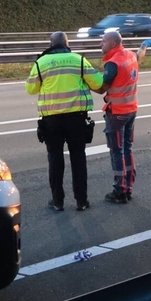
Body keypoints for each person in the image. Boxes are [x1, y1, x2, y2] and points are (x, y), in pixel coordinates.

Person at [26, 31, 103, 212]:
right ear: (67, 43)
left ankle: (57, 201)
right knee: (78, 159)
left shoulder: (41, 63)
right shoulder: (79, 60)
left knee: (55, 159)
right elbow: (98, 82)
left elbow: (30, 89)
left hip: (51, 121)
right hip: (77, 118)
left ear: (51, 44)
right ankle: (81, 201)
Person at [93, 31, 149, 204]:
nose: (100, 44)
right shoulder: (130, 55)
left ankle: (120, 190)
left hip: (117, 113)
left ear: (113, 44)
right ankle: (129, 186)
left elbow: (102, 88)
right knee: (127, 148)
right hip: (131, 110)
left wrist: (86, 80)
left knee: (116, 151)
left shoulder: (113, 63)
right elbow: (139, 56)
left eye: (103, 41)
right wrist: (143, 47)